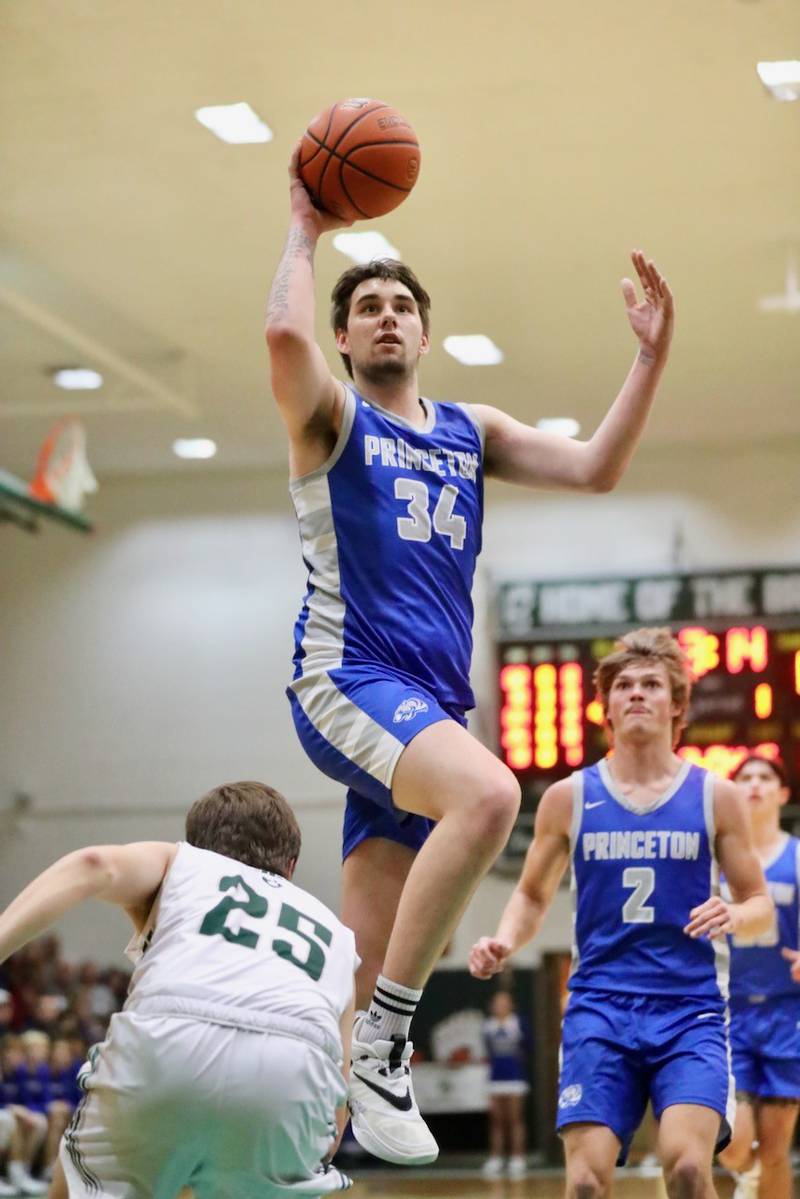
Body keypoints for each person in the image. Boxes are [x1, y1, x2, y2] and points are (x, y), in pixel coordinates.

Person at [265, 144, 675, 1165]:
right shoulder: (332, 418)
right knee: (492, 797)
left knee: (370, 954)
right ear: (346, 340)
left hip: (426, 711)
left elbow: (592, 469)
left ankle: (293, 1145)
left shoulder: (465, 427)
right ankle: (386, 1041)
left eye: (402, 304)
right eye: (366, 308)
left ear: (425, 329)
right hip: (347, 675)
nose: (386, 315)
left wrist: (648, 357)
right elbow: (280, 330)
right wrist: (306, 232)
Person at [468, 628, 773, 1199]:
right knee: (584, 1182)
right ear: (605, 705)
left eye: (652, 684)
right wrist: (505, 939)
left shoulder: (715, 795)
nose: (637, 694)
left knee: (685, 1170)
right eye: (625, 685)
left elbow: (761, 907)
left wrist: (734, 913)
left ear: (677, 704)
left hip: (691, 1011)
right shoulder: (570, 796)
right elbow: (532, 895)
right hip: (600, 1008)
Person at [0, 781, 358, 1199]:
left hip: (172, 1037)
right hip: (294, 1073)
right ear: (292, 865)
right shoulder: (337, 935)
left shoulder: (187, 863)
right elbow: (342, 1073)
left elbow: (94, 863)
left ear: (198, 843)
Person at [717, 754, 800, 1199]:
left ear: (782, 793)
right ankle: (743, 1176)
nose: (754, 784)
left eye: (765, 777)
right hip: (731, 1015)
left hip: (789, 1014)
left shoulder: (798, 857)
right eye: (744, 777)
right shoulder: (716, 864)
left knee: (775, 1152)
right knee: (730, 1147)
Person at [481, 990, 530, 1180]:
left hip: (515, 1078)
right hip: (495, 1079)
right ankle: (496, 1158)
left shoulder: (518, 1024)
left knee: (515, 1120)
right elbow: (487, 1050)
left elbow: (528, 1046)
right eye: (497, 1003)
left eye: (504, 1003)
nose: (501, 1006)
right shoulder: (488, 1026)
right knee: (497, 1122)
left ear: (511, 1005)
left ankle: (517, 1158)